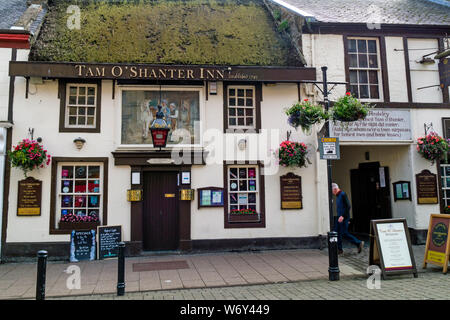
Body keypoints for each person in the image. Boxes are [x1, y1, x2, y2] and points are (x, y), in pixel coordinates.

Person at [332, 183, 364, 254]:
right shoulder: (338, 196)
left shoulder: (343, 194)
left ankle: (358, 243)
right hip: (339, 218)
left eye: (332, 191)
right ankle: (339, 249)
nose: (332, 193)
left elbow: (348, 206)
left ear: (335, 189)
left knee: (344, 233)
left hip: (343, 218)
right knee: (337, 232)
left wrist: (343, 216)